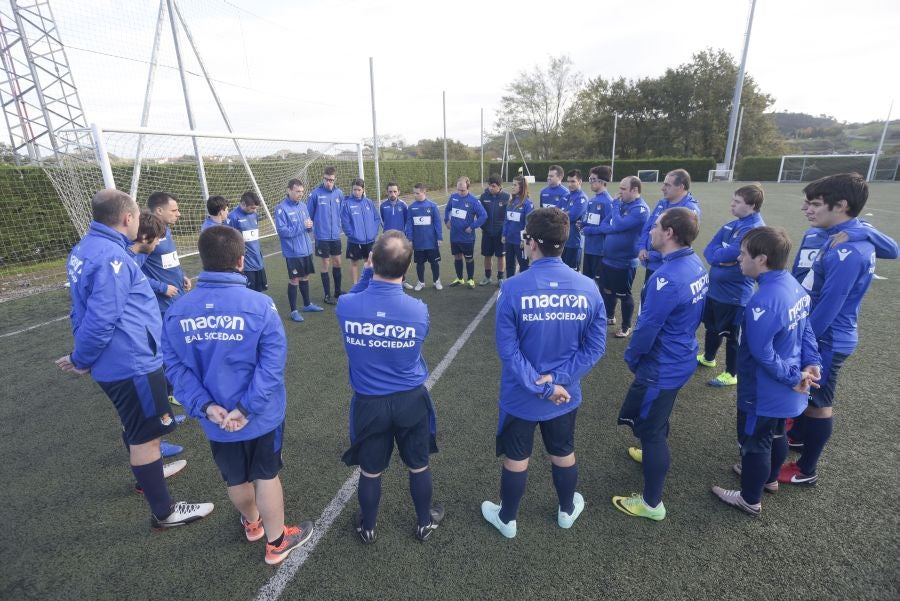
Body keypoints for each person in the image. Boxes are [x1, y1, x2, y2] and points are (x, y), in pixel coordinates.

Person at [55, 189, 214, 530]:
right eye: (138, 217)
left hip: (120, 359)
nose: (141, 222)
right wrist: (81, 357)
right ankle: (165, 512)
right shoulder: (111, 258)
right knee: (146, 435)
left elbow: (81, 309)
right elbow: (101, 318)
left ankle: (148, 474)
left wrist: (85, 354)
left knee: (134, 424)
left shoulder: (85, 248)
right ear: (128, 218)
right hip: (131, 361)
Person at [163, 225, 314, 564]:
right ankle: (277, 542)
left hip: (217, 421)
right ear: (241, 261)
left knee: (235, 476)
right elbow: (272, 365)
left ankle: (252, 523)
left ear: (203, 260)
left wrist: (206, 406)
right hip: (260, 416)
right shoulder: (260, 305)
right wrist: (246, 409)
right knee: (266, 474)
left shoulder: (176, 311)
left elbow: (174, 369)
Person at [481, 207, 606, 538]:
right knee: (562, 451)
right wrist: (557, 382)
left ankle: (508, 518)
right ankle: (566, 510)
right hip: (564, 396)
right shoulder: (588, 287)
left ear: (531, 242)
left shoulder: (512, 288)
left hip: (522, 395)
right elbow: (595, 348)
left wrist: (544, 386)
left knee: (516, 457)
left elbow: (508, 351)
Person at [778, 173, 898, 487]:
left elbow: (829, 306)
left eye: (816, 203)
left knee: (819, 403)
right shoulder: (835, 235)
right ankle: (798, 436)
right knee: (809, 395)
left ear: (841, 205)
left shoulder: (849, 250)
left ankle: (806, 470)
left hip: (828, 338)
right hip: (822, 332)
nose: (808, 209)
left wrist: (804, 343)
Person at [336, 231, 444, 544]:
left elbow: (356, 296)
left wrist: (367, 272)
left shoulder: (346, 305)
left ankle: (368, 527)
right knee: (418, 465)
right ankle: (424, 522)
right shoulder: (418, 310)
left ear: (371, 260)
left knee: (370, 470)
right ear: (407, 268)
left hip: (369, 403)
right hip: (411, 400)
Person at [711, 226, 821, 516]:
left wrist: (794, 376)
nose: (739, 258)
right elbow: (807, 328)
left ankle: (749, 499)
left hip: (765, 390)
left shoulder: (763, 301)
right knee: (776, 433)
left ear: (761, 259)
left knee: (754, 443)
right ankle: (769, 479)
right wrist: (812, 362)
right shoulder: (793, 284)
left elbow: (762, 353)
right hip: (788, 385)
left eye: (743, 254)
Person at [612, 207, 707, 521]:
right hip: (681, 357)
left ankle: (652, 503)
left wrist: (632, 357)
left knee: (652, 431)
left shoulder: (667, 278)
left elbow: (647, 329)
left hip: (662, 365)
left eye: (655, 226)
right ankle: (649, 453)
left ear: (669, 233)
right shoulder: (694, 263)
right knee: (658, 416)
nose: (650, 231)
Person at [697, 184, 766, 387]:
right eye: (733, 200)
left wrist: (721, 257)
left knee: (732, 336)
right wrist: (720, 260)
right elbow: (710, 250)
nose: (732, 205)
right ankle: (708, 358)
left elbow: (730, 253)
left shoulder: (754, 229)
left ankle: (731, 373)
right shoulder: (732, 224)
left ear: (752, 205)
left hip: (735, 295)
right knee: (712, 328)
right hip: (715, 291)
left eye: (737, 202)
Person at [598, 176, 649, 338]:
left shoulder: (640, 209)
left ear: (635, 190)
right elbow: (604, 225)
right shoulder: (621, 205)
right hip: (608, 258)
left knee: (623, 295)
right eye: (619, 188)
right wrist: (615, 227)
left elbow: (618, 224)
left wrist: (615, 208)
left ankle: (626, 326)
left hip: (624, 262)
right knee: (607, 291)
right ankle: (610, 316)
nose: (619, 192)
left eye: (623, 189)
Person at [637, 169, 701, 283]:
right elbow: (648, 226)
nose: (662, 188)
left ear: (681, 187)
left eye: (667, 185)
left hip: (667, 266)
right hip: (651, 263)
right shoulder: (663, 203)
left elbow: (679, 242)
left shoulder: (688, 210)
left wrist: (652, 255)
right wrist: (642, 247)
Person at [275, 179, 324, 322]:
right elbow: (283, 232)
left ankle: (307, 304)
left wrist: (309, 226)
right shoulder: (281, 208)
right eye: (297, 191)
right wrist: (302, 226)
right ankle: (293, 311)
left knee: (305, 276)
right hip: (293, 252)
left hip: (306, 249)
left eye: (302, 191)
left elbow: (308, 226)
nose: (300, 194)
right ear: (289, 190)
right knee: (294, 279)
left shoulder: (303, 206)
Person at [143, 191, 192, 315]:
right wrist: (162, 288)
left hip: (178, 296)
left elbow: (168, 258)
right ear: (159, 210)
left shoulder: (166, 230)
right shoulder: (145, 235)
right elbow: (133, 272)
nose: (178, 214)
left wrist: (182, 275)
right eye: (174, 211)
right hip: (162, 305)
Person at [308, 166, 345, 304]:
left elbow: (341, 213)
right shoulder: (315, 194)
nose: (329, 182)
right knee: (325, 264)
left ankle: (337, 291)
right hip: (322, 236)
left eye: (331, 180)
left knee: (338, 262)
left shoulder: (339, 193)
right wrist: (312, 231)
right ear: (323, 178)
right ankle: (327, 295)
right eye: (327, 179)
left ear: (335, 179)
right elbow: (309, 216)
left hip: (335, 235)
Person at [444, 176, 487, 288]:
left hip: (467, 238)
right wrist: (446, 220)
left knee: (468, 258)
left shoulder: (473, 201)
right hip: (454, 235)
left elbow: (483, 216)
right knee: (457, 257)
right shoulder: (453, 197)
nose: (460, 192)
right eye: (458, 189)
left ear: (468, 188)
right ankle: (459, 279)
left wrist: (472, 226)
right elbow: (447, 209)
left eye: (462, 190)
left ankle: (470, 280)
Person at [341, 178, 382, 285]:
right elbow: (345, 222)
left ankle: (369, 284)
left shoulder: (369, 202)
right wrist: (352, 234)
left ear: (363, 189)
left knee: (369, 262)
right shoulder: (347, 204)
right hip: (354, 241)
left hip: (369, 240)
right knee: (354, 263)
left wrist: (373, 233)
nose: (356, 192)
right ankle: (355, 285)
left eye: (359, 190)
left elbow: (376, 218)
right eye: (354, 189)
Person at [580, 166, 614, 291]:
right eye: (590, 179)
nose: (590, 182)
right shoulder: (592, 200)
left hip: (600, 251)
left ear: (602, 181)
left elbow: (610, 228)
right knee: (587, 284)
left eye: (593, 179)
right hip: (589, 249)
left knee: (599, 286)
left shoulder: (608, 202)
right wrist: (582, 224)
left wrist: (589, 230)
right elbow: (590, 221)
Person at [227, 191, 268, 292]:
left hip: (258, 261)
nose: (255, 210)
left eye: (256, 208)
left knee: (259, 292)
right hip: (245, 264)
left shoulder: (255, 215)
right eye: (252, 208)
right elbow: (229, 242)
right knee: (248, 292)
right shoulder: (232, 217)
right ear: (243, 204)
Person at [406, 182, 443, 290]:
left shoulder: (432, 206)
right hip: (418, 243)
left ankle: (436, 281)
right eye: (414, 193)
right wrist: (410, 239)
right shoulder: (411, 208)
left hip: (431, 242)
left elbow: (437, 223)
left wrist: (439, 238)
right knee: (420, 263)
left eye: (417, 193)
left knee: (434, 263)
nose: (415, 195)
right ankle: (421, 282)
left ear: (424, 192)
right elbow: (409, 225)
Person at [478, 174, 509, 286]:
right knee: (487, 255)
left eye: (494, 186)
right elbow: (479, 213)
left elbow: (508, 216)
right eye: (490, 185)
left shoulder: (507, 197)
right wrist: (483, 226)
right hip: (487, 232)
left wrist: (504, 231)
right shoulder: (483, 197)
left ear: (500, 186)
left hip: (500, 233)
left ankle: (500, 278)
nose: (491, 188)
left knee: (501, 256)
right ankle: (487, 277)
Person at [501, 175, 533, 279]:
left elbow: (529, 224)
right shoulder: (511, 202)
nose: (512, 187)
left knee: (523, 266)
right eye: (512, 184)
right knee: (509, 265)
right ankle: (510, 284)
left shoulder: (528, 203)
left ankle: (524, 286)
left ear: (522, 187)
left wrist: (525, 240)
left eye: (515, 185)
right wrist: (504, 234)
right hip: (509, 240)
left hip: (520, 242)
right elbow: (506, 220)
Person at [560, 169, 588, 270]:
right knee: (561, 271)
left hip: (574, 242)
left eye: (573, 181)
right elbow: (554, 213)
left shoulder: (582, 198)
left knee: (572, 272)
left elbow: (572, 217)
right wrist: (565, 213)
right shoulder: (566, 196)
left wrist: (563, 213)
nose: (570, 184)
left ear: (580, 182)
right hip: (562, 240)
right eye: (568, 181)